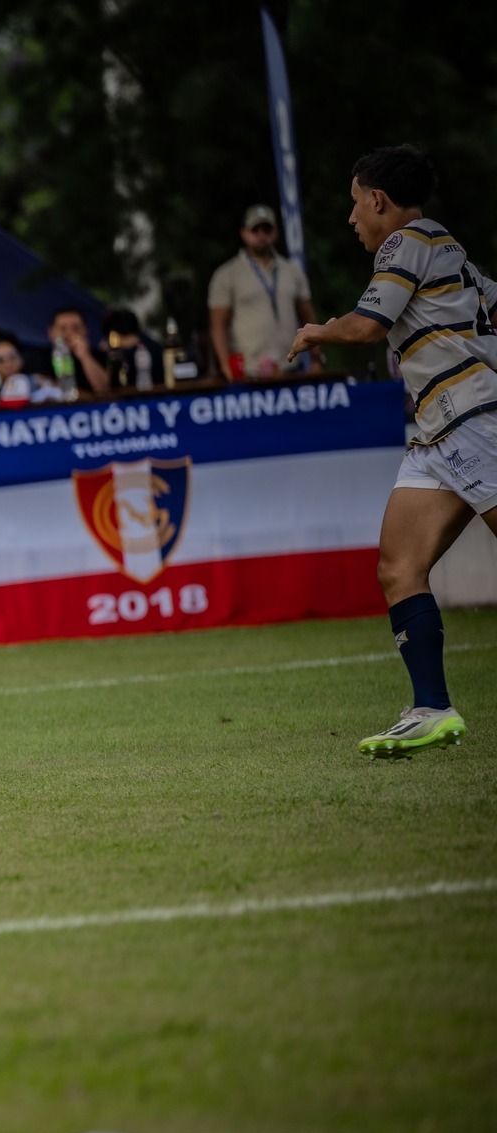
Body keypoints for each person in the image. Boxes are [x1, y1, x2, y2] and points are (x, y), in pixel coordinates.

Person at [288, 144, 497, 756]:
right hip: (437, 432)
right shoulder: (450, 249)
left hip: (471, 421)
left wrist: (317, 331)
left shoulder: (403, 244)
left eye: (355, 204)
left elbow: (367, 326)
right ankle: (431, 708)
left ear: (378, 200)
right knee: (398, 568)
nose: (351, 218)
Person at [209, 205, 317, 378]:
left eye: (266, 229)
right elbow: (218, 326)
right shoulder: (227, 274)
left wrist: (316, 359)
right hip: (249, 373)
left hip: (289, 369)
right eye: (255, 229)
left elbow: (308, 318)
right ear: (244, 233)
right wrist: (226, 367)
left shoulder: (292, 271)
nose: (261, 234)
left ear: (275, 233)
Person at [0, 329, 60, 410]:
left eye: (12, 357)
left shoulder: (36, 382)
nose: (8, 364)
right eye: (0, 360)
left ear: (21, 359)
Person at [46, 308, 112, 401]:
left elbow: (105, 390)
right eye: (63, 328)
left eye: (76, 327)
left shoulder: (100, 356)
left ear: (85, 330)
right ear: (51, 333)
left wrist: (85, 357)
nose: (70, 333)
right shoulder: (39, 357)